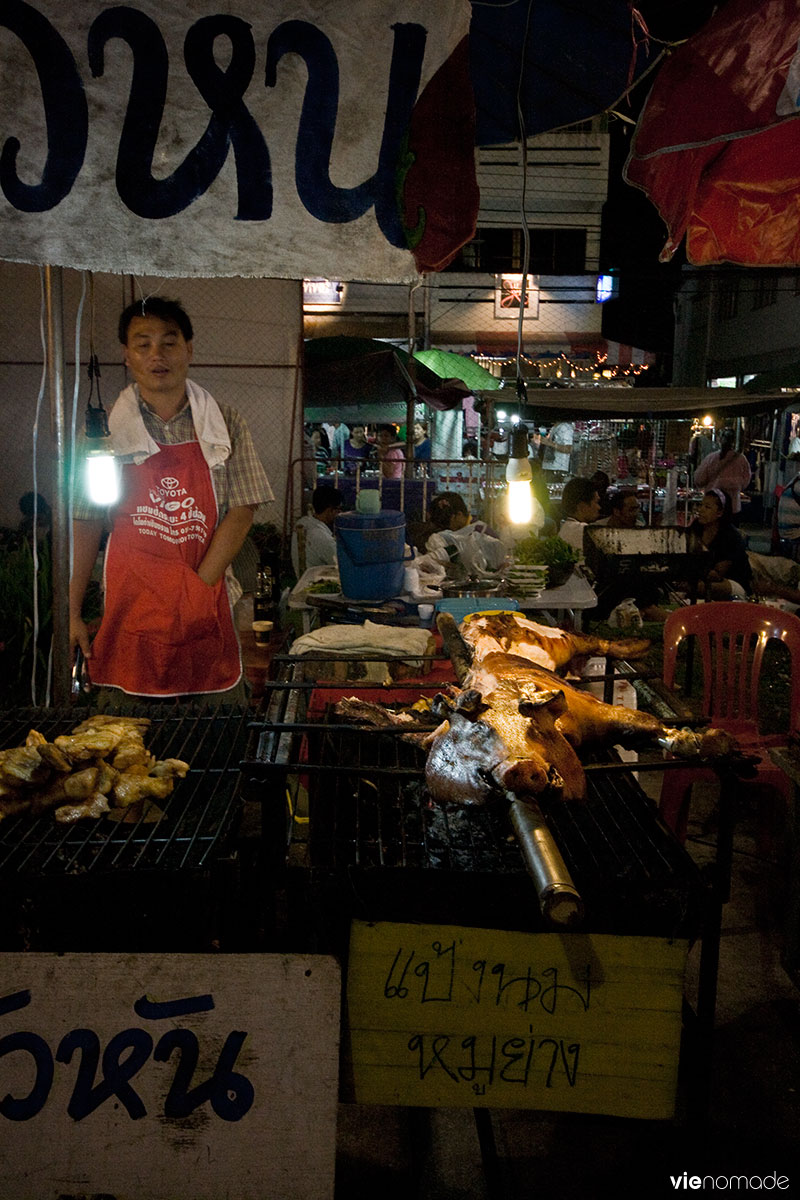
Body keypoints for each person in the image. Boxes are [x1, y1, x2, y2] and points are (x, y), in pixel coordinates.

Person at [69, 296, 273, 702]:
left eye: (169, 342)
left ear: (189, 350)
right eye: (142, 344)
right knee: (125, 734)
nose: (156, 355)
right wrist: (72, 611)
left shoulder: (225, 421)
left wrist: (198, 588)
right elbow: (86, 518)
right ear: (127, 356)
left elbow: (243, 508)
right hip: (130, 607)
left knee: (214, 728)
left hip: (207, 599)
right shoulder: (102, 432)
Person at [686, 488, 752, 599]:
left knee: (698, 587)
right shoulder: (696, 528)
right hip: (701, 578)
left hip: (732, 582)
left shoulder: (730, 536)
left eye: (707, 507)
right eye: (700, 505)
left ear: (720, 512)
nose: (701, 510)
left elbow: (717, 575)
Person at [693, 428, 752, 523]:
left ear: (720, 440)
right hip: (733, 506)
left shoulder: (711, 458)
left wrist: (717, 483)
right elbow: (746, 481)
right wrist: (733, 484)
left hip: (712, 507)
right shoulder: (741, 459)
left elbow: (699, 479)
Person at [291, 484, 344, 576]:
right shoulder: (320, 535)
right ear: (329, 510)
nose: (340, 513)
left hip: (305, 576)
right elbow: (342, 563)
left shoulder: (303, 522)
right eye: (338, 509)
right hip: (316, 581)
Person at [557, 476, 601, 553]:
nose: (599, 507)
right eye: (596, 502)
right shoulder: (583, 531)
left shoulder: (568, 527)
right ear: (582, 507)